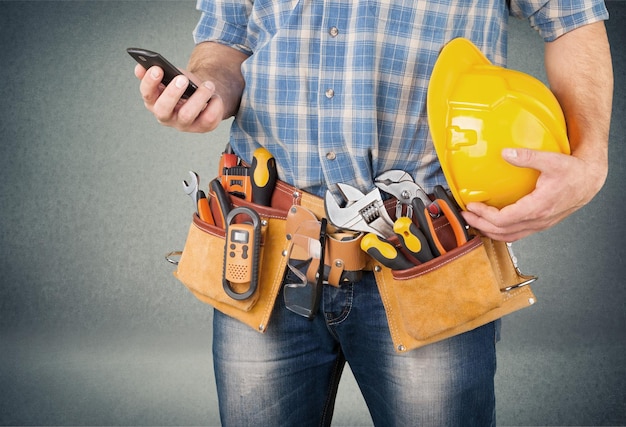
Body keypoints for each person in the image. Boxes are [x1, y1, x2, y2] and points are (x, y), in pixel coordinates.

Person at [134, 0, 613, 425]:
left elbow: (572, 18)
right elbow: (227, 39)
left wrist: (590, 160)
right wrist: (206, 87)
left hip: (428, 259)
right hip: (267, 252)